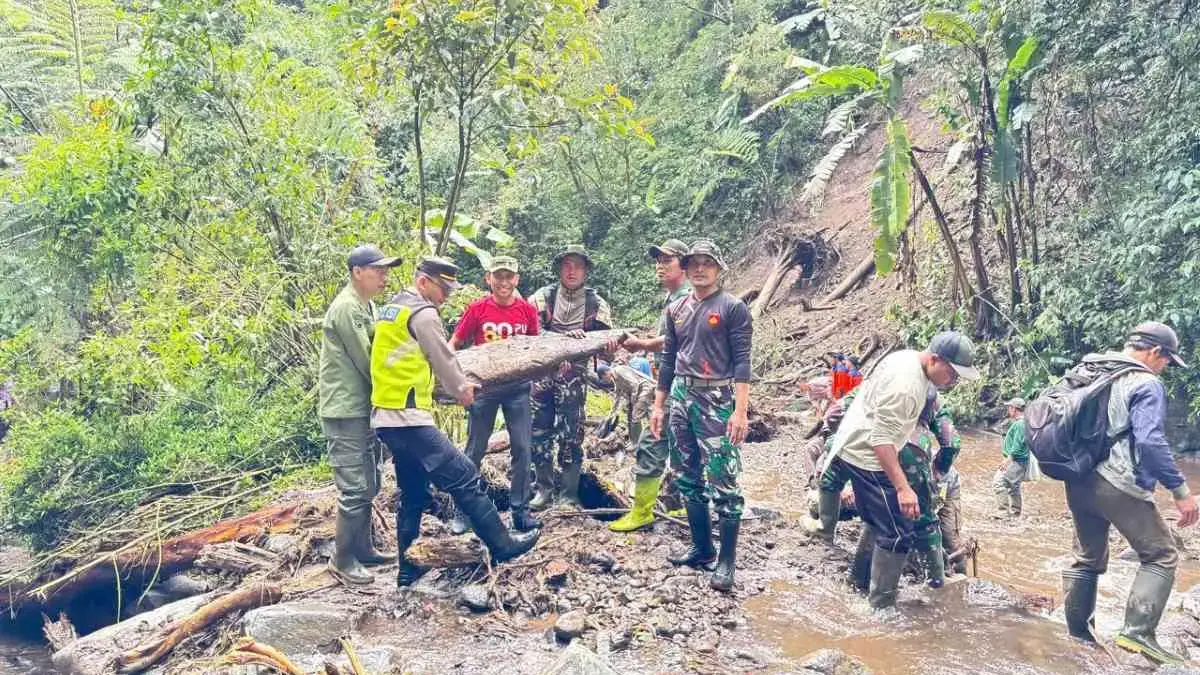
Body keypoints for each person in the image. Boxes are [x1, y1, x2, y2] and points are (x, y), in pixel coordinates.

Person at [372, 257, 541, 587]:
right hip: (408, 417)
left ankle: (407, 570)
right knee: (463, 473)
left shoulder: (392, 309)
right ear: (423, 282)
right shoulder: (423, 313)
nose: (446, 295)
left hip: (386, 415)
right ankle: (503, 545)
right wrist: (463, 390)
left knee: (413, 490)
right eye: (443, 287)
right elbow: (444, 358)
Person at [1061, 321, 1197, 665]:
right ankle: (1137, 633)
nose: (1166, 367)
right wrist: (1181, 491)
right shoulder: (1145, 382)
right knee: (1161, 555)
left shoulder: (1091, 368)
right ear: (1154, 352)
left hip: (1077, 479)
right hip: (1117, 482)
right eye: (1167, 360)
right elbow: (1151, 441)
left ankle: (1079, 634)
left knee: (1088, 557)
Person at [824, 331, 979, 609]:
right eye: (953, 373)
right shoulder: (907, 388)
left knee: (878, 522)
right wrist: (903, 488)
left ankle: (857, 583)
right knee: (898, 533)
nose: (954, 381)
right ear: (935, 359)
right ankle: (881, 607)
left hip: (855, 444)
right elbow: (881, 442)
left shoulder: (906, 358)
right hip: (869, 457)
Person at [650, 239, 752, 592]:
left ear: (719, 268)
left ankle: (727, 561)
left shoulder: (732, 308)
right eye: (694, 262)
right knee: (686, 475)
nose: (699, 268)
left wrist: (740, 412)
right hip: (681, 394)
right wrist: (659, 404)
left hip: (718, 396)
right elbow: (668, 358)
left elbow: (742, 362)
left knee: (723, 479)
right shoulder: (676, 309)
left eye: (707, 262)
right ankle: (702, 548)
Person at [317, 245, 402, 585]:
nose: (384, 275)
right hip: (345, 409)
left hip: (363, 407)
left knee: (370, 481)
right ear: (357, 272)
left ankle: (362, 547)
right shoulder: (347, 309)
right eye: (378, 269)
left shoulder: (368, 306)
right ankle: (342, 558)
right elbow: (367, 361)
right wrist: (396, 393)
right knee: (353, 487)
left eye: (386, 270)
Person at [448, 255, 541, 534]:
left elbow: (537, 348)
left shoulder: (527, 311)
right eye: (497, 276)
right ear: (489, 278)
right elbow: (454, 343)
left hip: (518, 389)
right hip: (484, 390)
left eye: (508, 276)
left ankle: (520, 513)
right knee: (474, 449)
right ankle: (463, 511)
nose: (503, 282)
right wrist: (454, 377)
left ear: (516, 279)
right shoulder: (477, 309)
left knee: (523, 448)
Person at [608, 238, 691, 532]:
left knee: (652, 443)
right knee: (681, 448)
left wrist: (642, 344)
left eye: (666, 260)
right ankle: (681, 506)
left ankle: (643, 511)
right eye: (657, 260)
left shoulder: (686, 297)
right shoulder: (674, 298)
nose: (659, 266)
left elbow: (675, 341)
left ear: (684, 264)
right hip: (674, 384)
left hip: (680, 386)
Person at [528, 245, 615, 509]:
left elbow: (606, 349)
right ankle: (543, 489)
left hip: (575, 380)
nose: (571, 270)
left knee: (572, 434)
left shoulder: (597, 304)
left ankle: (569, 493)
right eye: (567, 264)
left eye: (577, 265)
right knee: (537, 432)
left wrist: (607, 352)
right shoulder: (541, 298)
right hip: (540, 376)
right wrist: (562, 339)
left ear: (586, 270)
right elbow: (529, 334)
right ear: (559, 268)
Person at [992, 397, 1029, 519]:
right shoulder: (1024, 423)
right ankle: (1015, 513)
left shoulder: (1019, 424)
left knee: (998, 482)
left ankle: (1003, 513)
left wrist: (1008, 460)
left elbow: (1018, 446)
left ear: (1014, 409)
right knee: (1014, 486)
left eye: (1009, 407)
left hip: (1016, 460)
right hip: (1021, 461)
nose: (1008, 410)